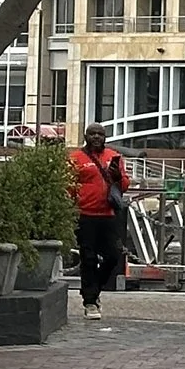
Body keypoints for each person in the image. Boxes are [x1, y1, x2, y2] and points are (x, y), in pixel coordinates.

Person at [69, 124, 128, 324]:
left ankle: (93, 289)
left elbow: (124, 185)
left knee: (113, 255)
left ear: (105, 137)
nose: (96, 137)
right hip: (85, 215)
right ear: (86, 136)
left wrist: (118, 176)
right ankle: (90, 301)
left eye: (100, 134)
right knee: (88, 258)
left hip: (108, 214)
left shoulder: (114, 156)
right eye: (92, 134)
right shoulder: (75, 158)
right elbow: (68, 185)